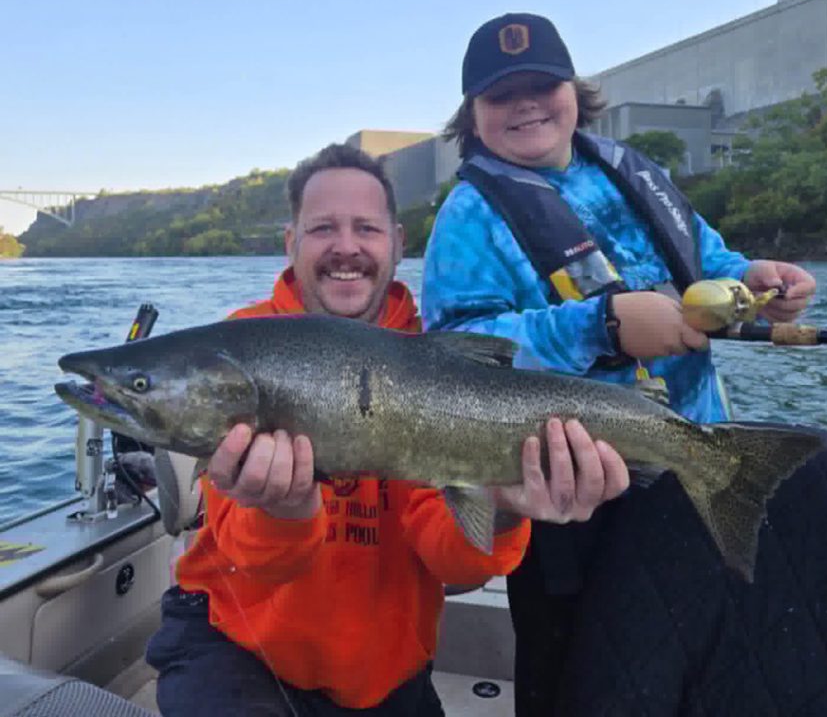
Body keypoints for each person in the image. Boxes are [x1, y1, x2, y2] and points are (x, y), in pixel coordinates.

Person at [421, 13, 827, 716]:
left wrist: (758, 280)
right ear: (474, 116)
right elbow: (458, 357)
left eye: (541, 85)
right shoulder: (465, 217)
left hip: (696, 459)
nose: (525, 103)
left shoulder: (631, 173)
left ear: (575, 93)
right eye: (500, 95)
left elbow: (710, 262)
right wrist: (601, 323)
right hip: (573, 499)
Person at [145, 142, 630, 717]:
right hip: (234, 646)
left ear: (399, 243)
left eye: (366, 229)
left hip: (385, 672)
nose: (345, 247)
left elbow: (457, 563)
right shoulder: (240, 343)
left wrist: (503, 505)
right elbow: (254, 563)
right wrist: (285, 510)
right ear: (291, 243)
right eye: (323, 227)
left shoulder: (443, 362)